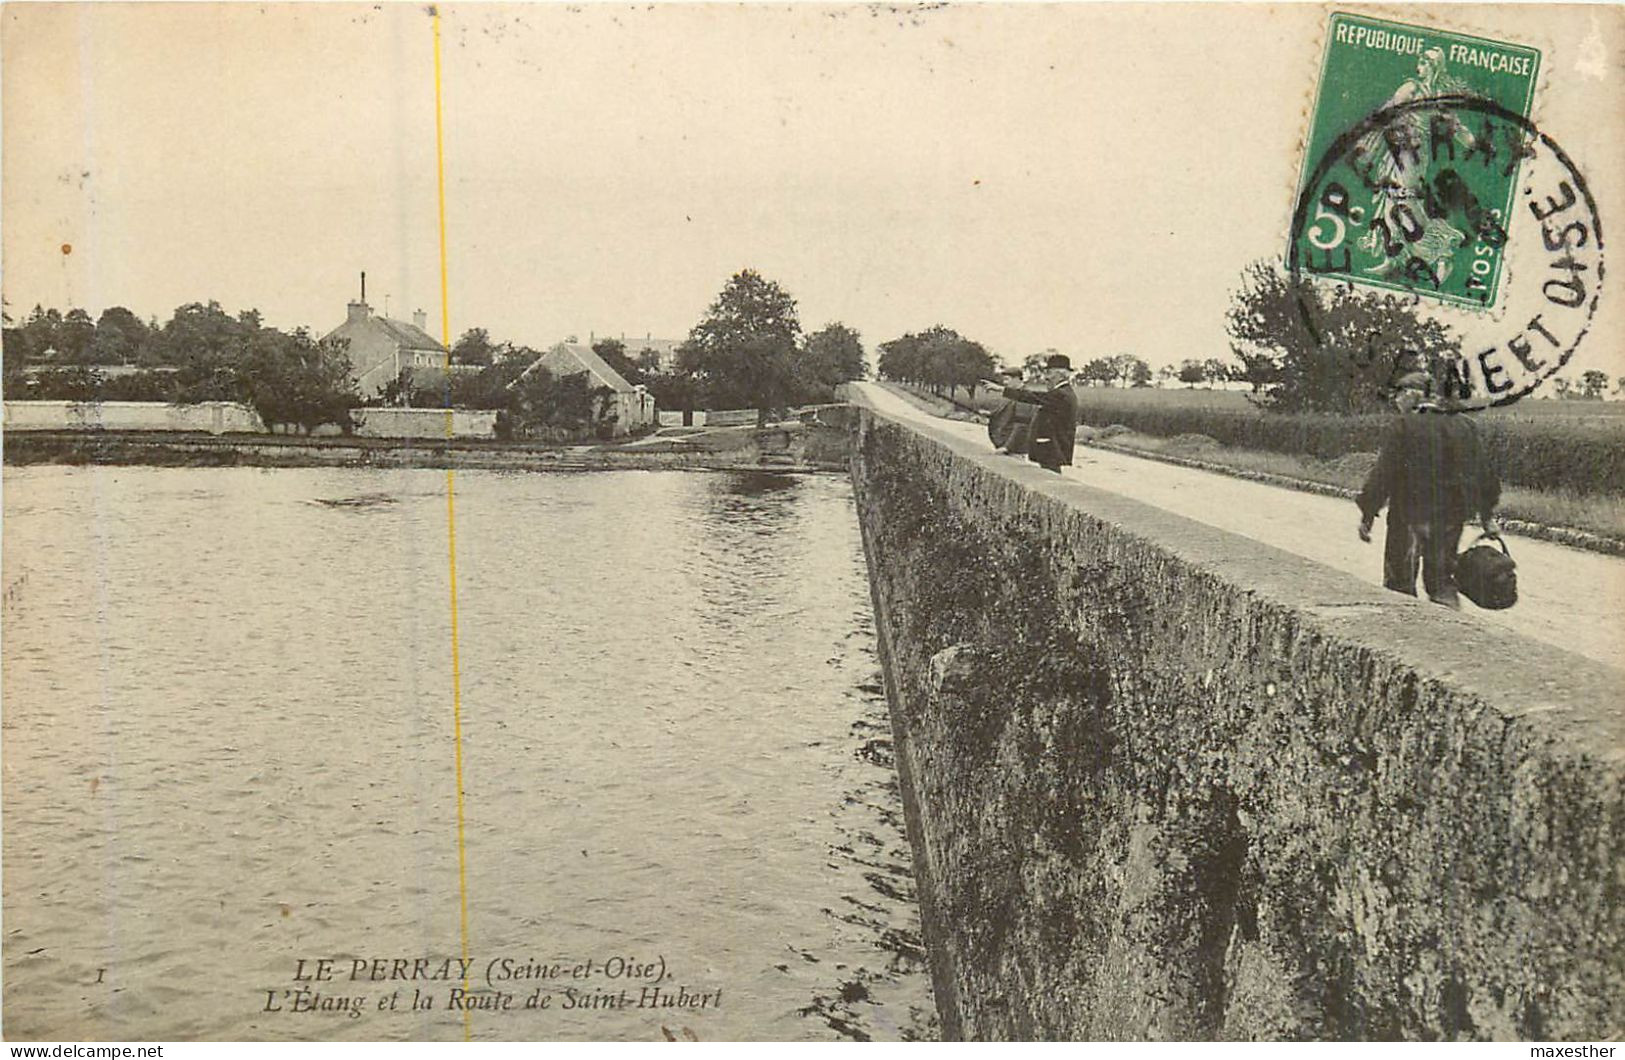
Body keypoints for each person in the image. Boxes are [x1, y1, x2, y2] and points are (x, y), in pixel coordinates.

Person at [1356, 370, 1501, 609]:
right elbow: (1484, 475)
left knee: (1400, 584)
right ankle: (1447, 631)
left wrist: (1368, 514)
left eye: (1399, 394)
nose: (1396, 401)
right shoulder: (1465, 426)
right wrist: (1487, 518)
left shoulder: (1404, 426)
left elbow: (1383, 474)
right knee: (1442, 582)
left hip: (1409, 516)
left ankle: (1403, 633)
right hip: (1450, 517)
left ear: (1414, 395)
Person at [981, 354, 1080, 474]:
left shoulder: (1061, 394)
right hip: (1052, 447)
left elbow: (1033, 397)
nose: (1046, 377)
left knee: (1050, 475)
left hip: (1053, 448)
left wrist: (1001, 389)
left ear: (1059, 374)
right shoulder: (1063, 392)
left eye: (1049, 373)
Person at [986, 367, 1035, 456]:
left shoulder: (1025, 397)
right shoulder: (1011, 394)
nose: (1005, 382)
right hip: (1004, 446)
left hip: (1014, 449)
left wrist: (1007, 447)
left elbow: (1022, 425)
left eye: (1007, 379)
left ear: (1016, 379)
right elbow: (1006, 413)